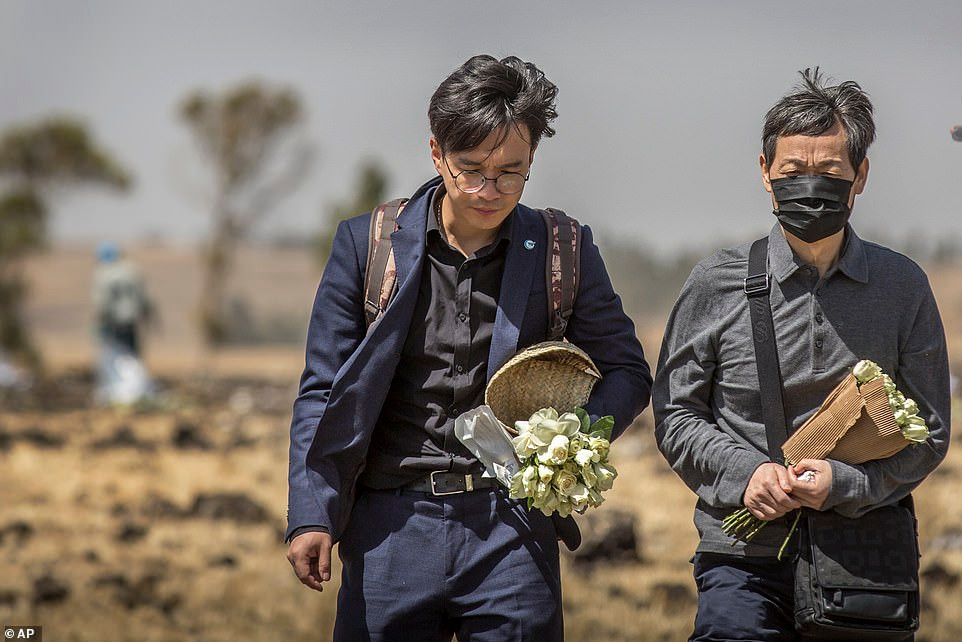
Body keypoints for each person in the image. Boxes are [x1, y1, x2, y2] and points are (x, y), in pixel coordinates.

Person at [286, 54, 651, 640]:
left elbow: (626, 371)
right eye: (471, 170)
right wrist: (311, 513)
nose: (489, 190)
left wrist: (572, 442)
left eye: (510, 173)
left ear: (532, 161)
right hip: (388, 528)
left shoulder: (563, 248)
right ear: (437, 153)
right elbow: (323, 390)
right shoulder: (368, 245)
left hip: (513, 531)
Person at [653, 69, 950, 640]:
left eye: (830, 173)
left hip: (864, 564)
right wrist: (746, 475)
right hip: (741, 557)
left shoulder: (903, 286)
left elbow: (929, 432)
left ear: (861, 175)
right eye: (792, 173)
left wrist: (844, 484)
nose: (810, 187)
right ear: (765, 172)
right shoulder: (715, 282)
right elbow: (675, 414)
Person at [92, 241, 154, 404]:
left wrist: (99, 323)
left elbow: (102, 303)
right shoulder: (132, 270)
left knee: (114, 357)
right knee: (131, 355)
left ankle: (120, 391)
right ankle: (135, 389)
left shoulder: (103, 273)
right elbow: (143, 298)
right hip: (132, 321)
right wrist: (147, 317)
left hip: (113, 323)